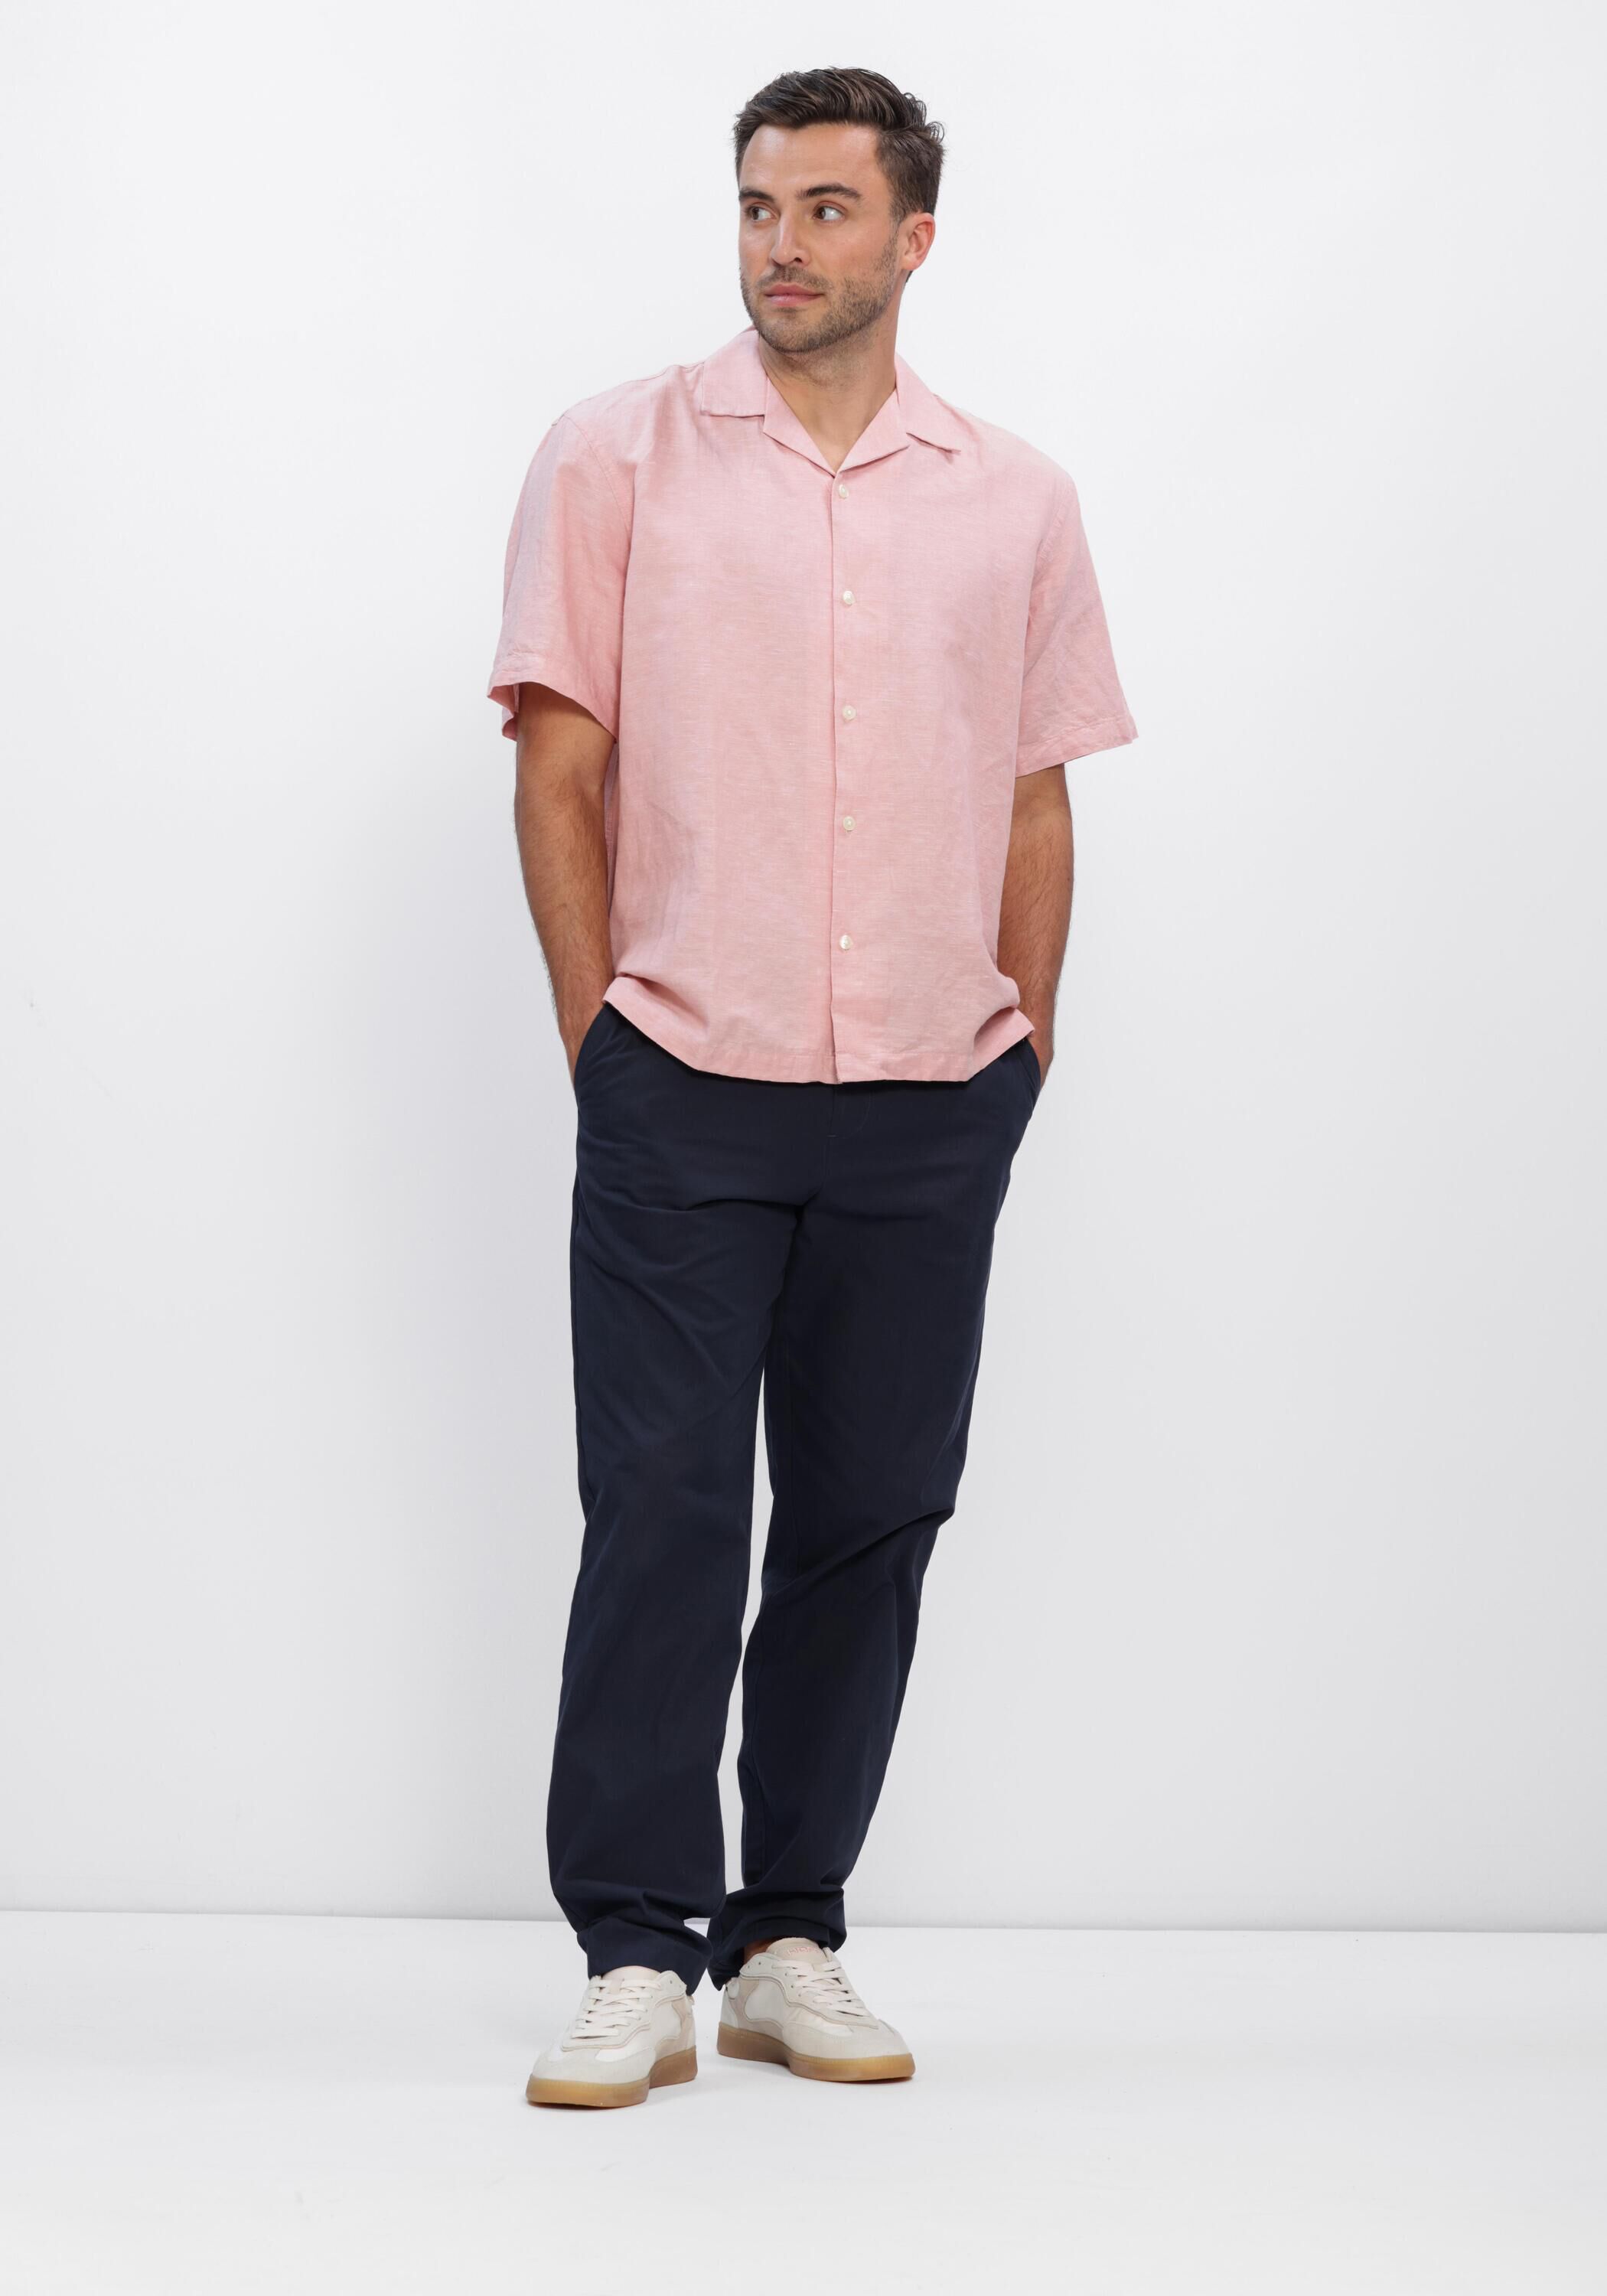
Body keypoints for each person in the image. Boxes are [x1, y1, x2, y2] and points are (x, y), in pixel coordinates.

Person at [487, 65, 1136, 2109]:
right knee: (664, 1511)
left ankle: (785, 1939)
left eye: (829, 209)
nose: (785, 245)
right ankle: (634, 1951)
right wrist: (600, 1039)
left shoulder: (1013, 495)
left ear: (912, 239)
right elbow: (560, 770)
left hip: (933, 1091)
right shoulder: (615, 457)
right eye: (762, 207)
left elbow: (1034, 794)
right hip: (683, 1071)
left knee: (868, 1518)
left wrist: (1020, 1042)